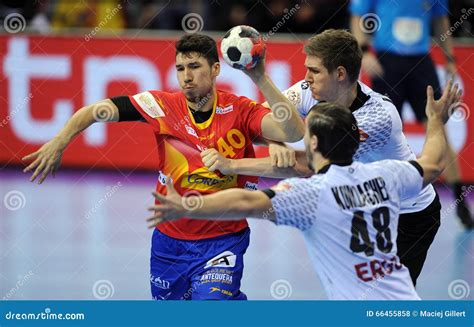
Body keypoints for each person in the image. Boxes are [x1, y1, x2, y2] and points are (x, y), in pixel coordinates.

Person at [21, 33, 305, 300]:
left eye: (194, 66)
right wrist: (59, 142)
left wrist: (260, 77)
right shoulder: (161, 106)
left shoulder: (240, 110)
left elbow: (293, 132)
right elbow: (95, 111)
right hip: (169, 242)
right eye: (180, 68)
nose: (186, 77)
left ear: (217, 68)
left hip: (223, 240)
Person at [147, 80, 461, 300]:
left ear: (312, 143)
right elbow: (432, 163)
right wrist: (436, 120)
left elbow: (245, 201)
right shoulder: (387, 174)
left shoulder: (310, 195)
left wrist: (188, 206)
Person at [198, 29, 443, 286]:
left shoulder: (378, 116)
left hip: (408, 214)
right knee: (354, 290)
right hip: (357, 203)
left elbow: (306, 165)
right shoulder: (308, 90)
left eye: (314, 71)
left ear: (339, 74)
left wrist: (232, 166)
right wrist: (275, 141)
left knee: (384, 295)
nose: (306, 78)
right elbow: (261, 122)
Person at [350, 0, 473, 229]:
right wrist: (364, 51)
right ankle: (372, 200)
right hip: (387, 61)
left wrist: (450, 57)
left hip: (420, 62)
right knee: (380, 132)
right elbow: (358, 16)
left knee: (439, 127)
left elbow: (440, 20)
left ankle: (460, 202)